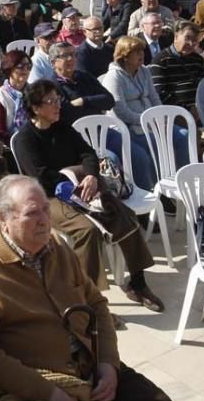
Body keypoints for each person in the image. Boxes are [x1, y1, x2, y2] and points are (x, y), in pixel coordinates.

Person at [0, 175, 175, 401]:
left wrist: (108, 363)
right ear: (3, 219)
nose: (45, 221)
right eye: (32, 213)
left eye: (46, 209)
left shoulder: (55, 246)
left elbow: (97, 304)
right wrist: (46, 392)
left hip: (87, 365)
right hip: (34, 381)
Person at [13, 83, 163, 308]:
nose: (57, 106)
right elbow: (41, 177)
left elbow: (88, 153)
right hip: (48, 197)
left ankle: (137, 283)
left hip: (83, 187)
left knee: (125, 215)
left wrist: (91, 177)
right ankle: (88, 298)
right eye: (50, 102)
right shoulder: (26, 138)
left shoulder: (61, 127)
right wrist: (74, 182)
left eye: (58, 100)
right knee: (87, 230)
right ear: (35, 108)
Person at [101, 36, 170, 189]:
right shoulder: (114, 77)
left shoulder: (144, 71)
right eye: (136, 52)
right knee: (156, 146)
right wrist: (147, 121)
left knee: (181, 136)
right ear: (124, 56)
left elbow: (154, 97)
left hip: (150, 122)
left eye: (142, 51)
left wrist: (159, 116)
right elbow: (121, 111)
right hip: (127, 127)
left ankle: (175, 182)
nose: (142, 54)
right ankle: (153, 189)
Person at [50, 41, 115, 125]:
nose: (71, 58)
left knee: (120, 136)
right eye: (65, 56)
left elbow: (109, 101)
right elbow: (66, 113)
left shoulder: (85, 76)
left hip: (100, 127)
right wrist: (95, 103)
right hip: (74, 133)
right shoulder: (51, 86)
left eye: (74, 54)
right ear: (53, 63)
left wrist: (84, 101)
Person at [150, 20, 204, 111]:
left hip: (200, 108)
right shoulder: (161, 61)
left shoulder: (198, 60)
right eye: (187, 38)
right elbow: (160, 93)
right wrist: (184, 110)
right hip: (174, 113)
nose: (191, 43)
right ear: (176, 37)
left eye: (194, 41)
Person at [0, 50, 31, 142]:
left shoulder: (35, 90)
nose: (25, 69)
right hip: (11, 143)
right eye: (20, 66)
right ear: (9, 68)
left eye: (28, 66)